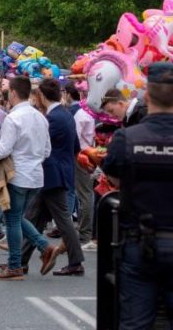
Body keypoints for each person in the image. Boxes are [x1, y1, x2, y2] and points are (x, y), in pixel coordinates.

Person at [102, 62, 173, 330]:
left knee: (135, 322)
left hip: (140, 245)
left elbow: (116, 179)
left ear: (146, 95)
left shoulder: (126, 138)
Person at [0, 76, 58, 280]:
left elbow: (3, 150)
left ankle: (16, 265)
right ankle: (37, 250)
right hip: (36, 175)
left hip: (17, 175)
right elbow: (47, 151)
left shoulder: (13, 118)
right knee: (17, 218)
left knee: (12, 220)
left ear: (12, 92)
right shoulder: (40, 117)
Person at [20, 79, 85, 276]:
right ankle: (20, 260)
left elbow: (40, 145)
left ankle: (75, 262)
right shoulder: (64, 115)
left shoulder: (53, 118)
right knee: (34, 218)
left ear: (41, 96)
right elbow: (76, 147)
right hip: (57, 172)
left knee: (62, 221)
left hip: (51, 174)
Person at [64, 81, 96, 250]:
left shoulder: (80, 114)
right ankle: (85, 233)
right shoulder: (86, 113)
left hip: (82, 155)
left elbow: (74, 138)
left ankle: (85, 235)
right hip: (86, 154)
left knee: (84, 195)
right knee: (84, 194)